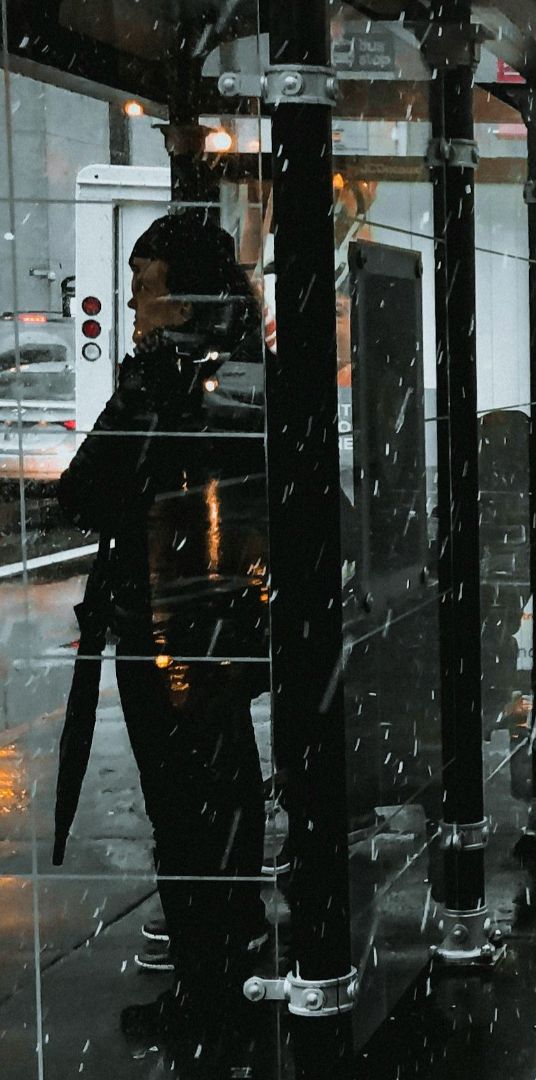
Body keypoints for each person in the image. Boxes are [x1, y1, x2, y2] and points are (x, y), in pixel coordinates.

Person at [57, 213, 272, 1059]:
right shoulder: (245, 368)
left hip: (167, 622)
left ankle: (208, 991)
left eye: (145, 284)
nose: (136, 301)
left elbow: (89, 489)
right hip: (220, 620)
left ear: (179, 298)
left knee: (182, 808)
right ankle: (230, 956)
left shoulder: (168, 378)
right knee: (223, 790)